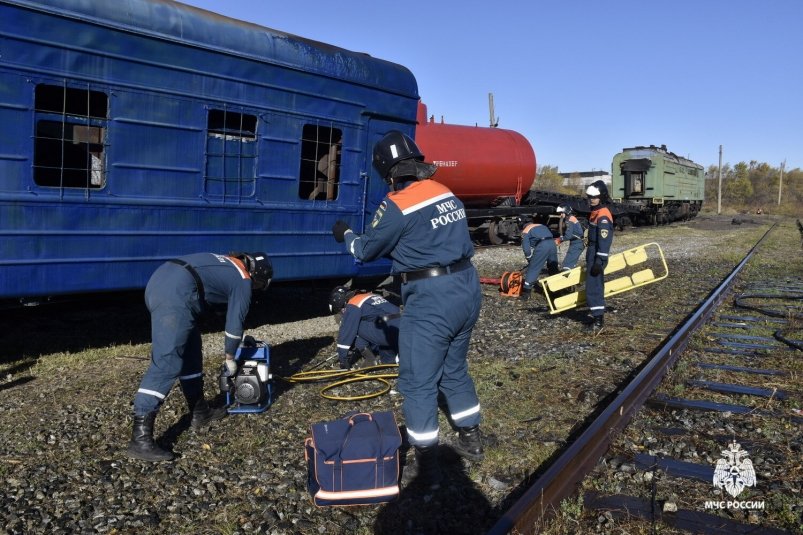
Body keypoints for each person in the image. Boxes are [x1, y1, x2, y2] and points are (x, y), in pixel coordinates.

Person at [331, 130, 483, 487]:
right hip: (466, 287)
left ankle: (426, 463)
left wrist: (346, 235)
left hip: (432, 298)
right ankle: (471, 438)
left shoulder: (396, 204)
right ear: (419, 164)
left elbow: (365, 250)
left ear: (390, 173)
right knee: (454, 367)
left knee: (416, 380)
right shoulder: (446, 193)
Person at [127, 251, 273, 462]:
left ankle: (200, 412)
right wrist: (230, 358)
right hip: (177, 292)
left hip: (164, 280)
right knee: (167, 363)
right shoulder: (243, 278)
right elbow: (234, 326)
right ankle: (140, 439)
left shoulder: (227, 262)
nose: (254, 290)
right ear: (258, 275)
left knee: (191, 353)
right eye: (258, 286)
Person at [328, 286, 400, 369]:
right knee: (386, 360)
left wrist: (343, 361)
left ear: (341, 303)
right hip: (405, 329)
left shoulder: (353, 304)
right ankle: (392, 358)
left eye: (340, 310)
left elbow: (346, 334)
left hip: (391, 332)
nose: (342, 313)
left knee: (356, 326)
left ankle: (371, 360)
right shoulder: (369, 296)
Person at [584, 180, 613, 332]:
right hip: (593, 251)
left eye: (594, 197)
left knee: (594, 286)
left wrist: (599, 260)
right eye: (589, 197)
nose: (591, 199)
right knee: (593, 284)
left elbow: (604, 240)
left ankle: (598, 321)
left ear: (601, 197)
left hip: (597, 253)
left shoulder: (602, 216)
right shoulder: (595, 212)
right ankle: (597, 315)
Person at [518, 216, 559, 301]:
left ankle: (526, 292)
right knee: (553, 267)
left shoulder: (525, 231)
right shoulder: (541, 225)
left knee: (534, 268)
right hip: (553, 244)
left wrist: (529, 258)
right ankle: (556, 290)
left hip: (543, 245)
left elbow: (526, 248)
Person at [555, 204, 585, 271]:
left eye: (561, 213)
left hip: (577, 244)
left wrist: (560, 239)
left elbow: (568, 236)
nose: (560, 215)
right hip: (576, 243)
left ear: (566, 212)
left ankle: (567, 280)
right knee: (568, 264)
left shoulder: (569, 220)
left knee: (567, 265)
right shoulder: (570, 218)